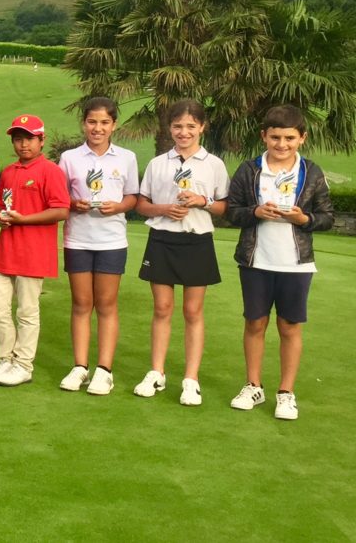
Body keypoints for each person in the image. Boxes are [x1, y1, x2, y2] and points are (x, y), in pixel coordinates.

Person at [225, 105, 334, 420]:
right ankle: (253, 386)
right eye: (275, 137)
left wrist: (304, 218)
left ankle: (286, 393)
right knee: (255, 322)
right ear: (264, 136)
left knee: (289, 325)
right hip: (255, 260)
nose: (282, 144)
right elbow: (233, 211)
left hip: (296, 263)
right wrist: (255, 212)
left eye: (289, 137)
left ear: (302, 137)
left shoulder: (311, 172)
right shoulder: (249, 170)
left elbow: (327, 217)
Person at [133, 99, 228, 406]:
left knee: (192, 312)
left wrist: (203, 201)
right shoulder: (158, 163)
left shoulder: (213, 164)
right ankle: (157, 372)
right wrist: (164, 209)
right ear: (169, 127)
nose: (183, 132)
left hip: (197, 240)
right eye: (177, 126)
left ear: (202, 127)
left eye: (190, 126)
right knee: (161, 308)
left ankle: (191, 379)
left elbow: (224, 207)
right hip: (162, 238)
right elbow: (141, 204)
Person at [57, 98, 139, 395]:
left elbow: (133, 197)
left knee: (105, 305)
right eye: (92, 122)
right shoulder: (69, 157)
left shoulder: (126, 157)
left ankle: (104, 370)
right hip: (77, 238)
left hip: (112, 241)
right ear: (84, 123)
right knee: (81, 304)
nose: (98, 128)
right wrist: (72, 203)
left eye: (104, 122)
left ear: (114, 125)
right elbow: (58, 196)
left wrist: (118, 207)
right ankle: (80, 367)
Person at [0, 114, 70, 386]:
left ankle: (23, 365)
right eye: (18, 139)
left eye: (29, 138)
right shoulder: (8, 172)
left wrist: (24, 220)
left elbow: (61, 210)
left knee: (27, 312)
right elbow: (0, 206)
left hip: (34, 253)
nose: (23, 145)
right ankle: (6, 359)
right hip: (5, 251)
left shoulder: (51, 171)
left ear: (41, 140)